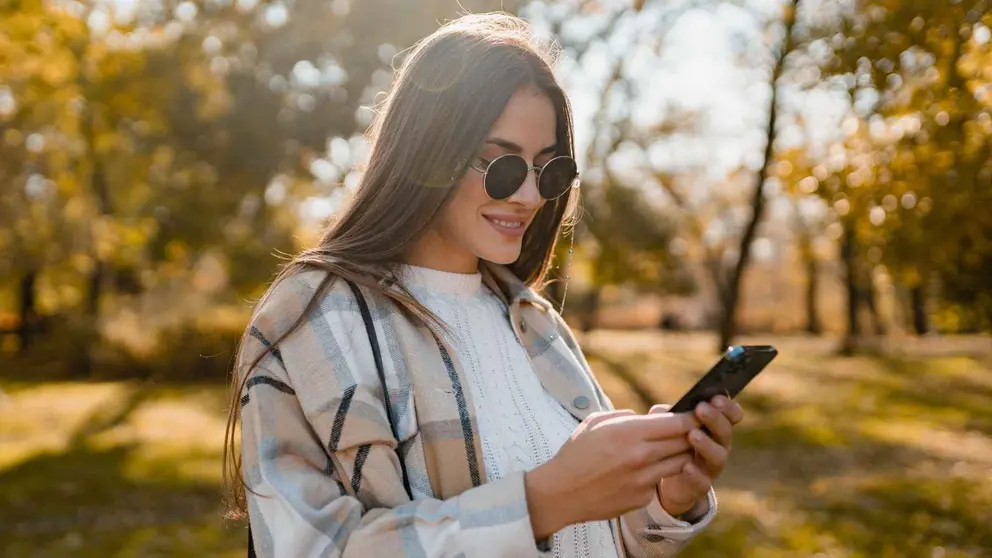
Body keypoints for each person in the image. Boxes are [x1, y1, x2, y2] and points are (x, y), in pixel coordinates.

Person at [223, 13, 745, 558]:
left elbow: (598, 538)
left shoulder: (534, 321)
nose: (528, 196)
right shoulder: (314, 317)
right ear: (426, 153)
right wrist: (544, 501)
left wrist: (664, 500)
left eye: (548, 170)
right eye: (500, 166)